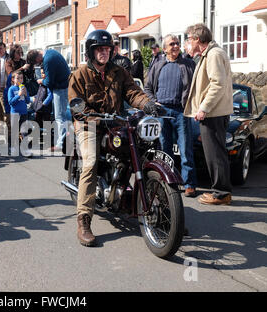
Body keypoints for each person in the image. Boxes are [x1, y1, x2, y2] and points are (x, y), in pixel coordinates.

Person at [68, 29, 163, 247]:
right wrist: (87, 115)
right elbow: (76, 104)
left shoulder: (119, 72)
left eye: (107, 49)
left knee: (142, 152)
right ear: (91, 52)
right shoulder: (79, 75)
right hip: (89, 125)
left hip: (115, 123)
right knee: (90, 163)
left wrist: (147, 104)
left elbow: (132, 92)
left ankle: (165, 211)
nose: (104, 52)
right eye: (100, 49)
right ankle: (84, 220)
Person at [184, 23, 233, 205]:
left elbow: (217, 85)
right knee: (215, 154)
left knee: (215, 155)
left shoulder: (213, 54)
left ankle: (221, 193)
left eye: (189, 39)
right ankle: (221, 191)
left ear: (197, 39)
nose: (187, 42)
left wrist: (203, 108)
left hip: (213, 114)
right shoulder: (210, 53)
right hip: (215, 113)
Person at [144, 34, 198, 197]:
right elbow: (147, 89)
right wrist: (154, 102)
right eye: (172, 44)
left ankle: (189, 184)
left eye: (177, 43)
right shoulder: (158, 64)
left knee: (185, 148)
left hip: (181, 112)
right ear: (165, 48)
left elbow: (196, 87)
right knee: (163, 148)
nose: (175, 46)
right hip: (161, 112)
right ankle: (166, 181)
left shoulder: (188, 64)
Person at [26, 48, 70, 152]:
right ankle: (63, 142)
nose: (39, 64)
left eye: (37, 62)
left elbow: (49, 82)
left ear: (38, 57)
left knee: (59, 117)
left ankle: (60, 144)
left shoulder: (47, 60)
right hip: (63, 86)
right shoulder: (50, 51)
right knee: (63, 116)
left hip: (61, 89)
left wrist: (41, 81)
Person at [7, 70, 31, 156]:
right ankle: (13, 147)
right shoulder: (11, 89)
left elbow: (28, 101)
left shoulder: (24, 88)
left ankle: (25, 149)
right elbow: (10, 102)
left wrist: (25, 94)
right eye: (17, 78)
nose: (20, 80)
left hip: (24, 112)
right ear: (13, 79)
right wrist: (18, 95)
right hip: (15, 113)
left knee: (24, 131)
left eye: (21, 78)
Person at [0, 42, 9, 125]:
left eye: (1, 48)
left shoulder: (8, 59)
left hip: (5, 88)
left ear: (5, 49)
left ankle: (8, 131)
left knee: (6, 111)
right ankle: (0, 131)